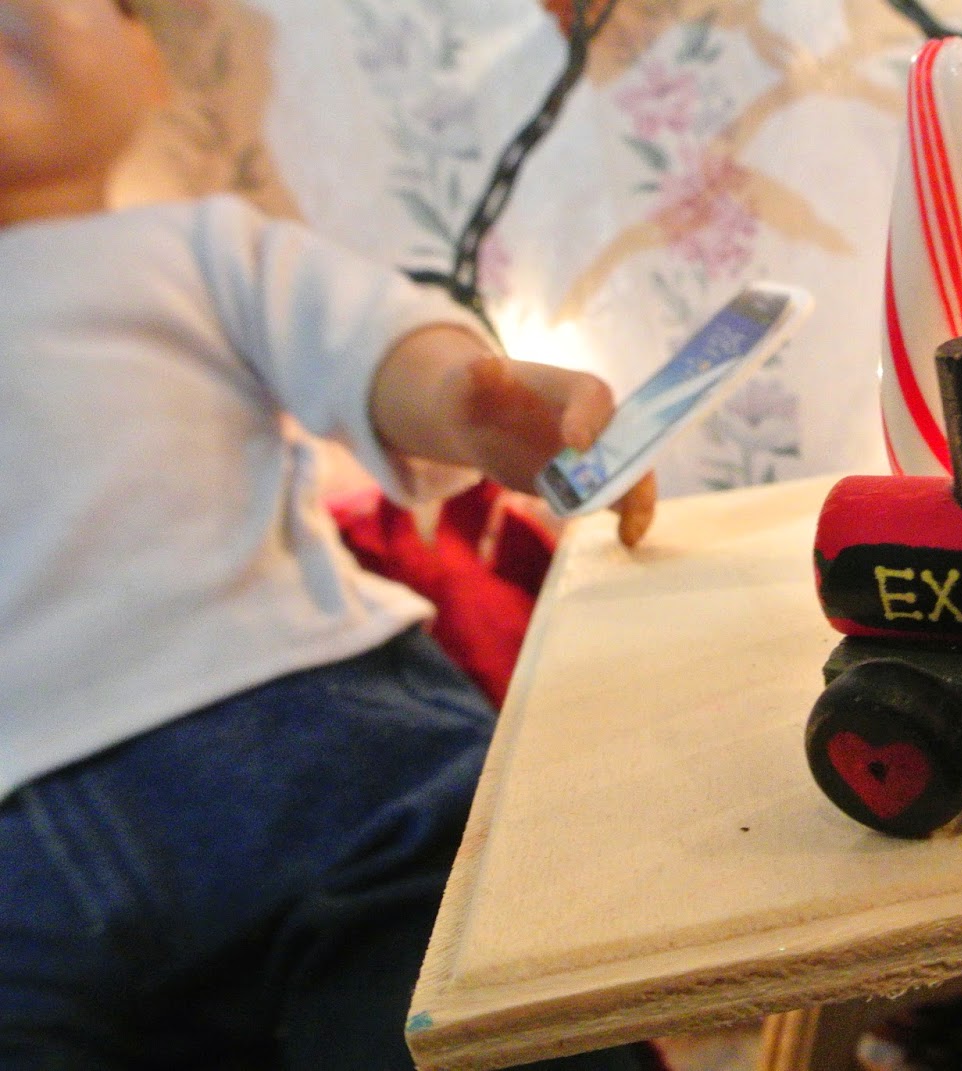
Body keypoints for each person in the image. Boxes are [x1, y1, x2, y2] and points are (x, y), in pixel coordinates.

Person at [0, 1, 657, 1067]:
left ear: (148, 66)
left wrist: (467, 400)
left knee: (470, 991)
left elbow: (371, 339)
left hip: (311, 748)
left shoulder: (198, 245)